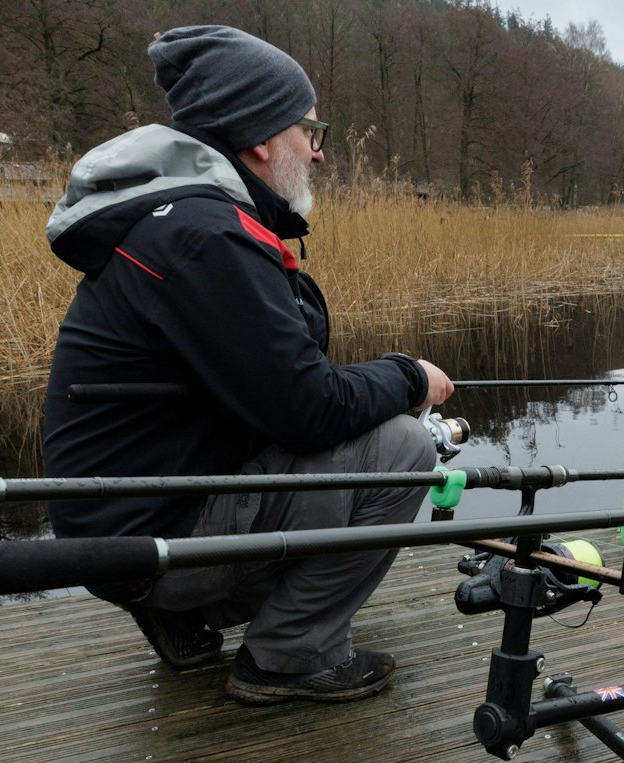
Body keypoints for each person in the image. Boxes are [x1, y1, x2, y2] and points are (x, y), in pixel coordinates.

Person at [41, 25, 455, 705]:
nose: (317, 154)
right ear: (261, 138)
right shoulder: (207, 237)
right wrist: (410, 377)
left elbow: (277, 393)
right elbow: (308, 408)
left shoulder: (181, 221)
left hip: (125, 527)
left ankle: (180, 613)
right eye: (309, 132)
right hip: (148, 541)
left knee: (337, 438)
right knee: (401, 446)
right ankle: (290, 657)